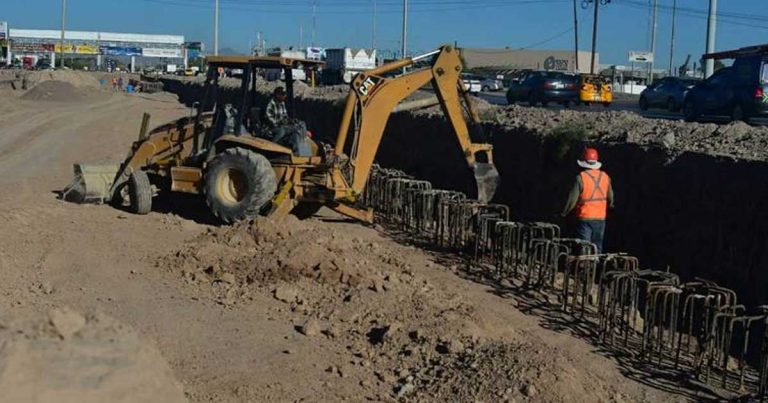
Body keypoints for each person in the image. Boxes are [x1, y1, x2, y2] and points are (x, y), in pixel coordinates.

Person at [561, 147, 614, 254]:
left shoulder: (580, 178)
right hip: (600, 218)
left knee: (584, 246)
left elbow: (572, 200)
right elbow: (611, 198)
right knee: (597, 246)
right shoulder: (605, 177)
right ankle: (596, 268)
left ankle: (584, 268)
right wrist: (610, 206)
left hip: (584, 217)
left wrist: (564, 213)